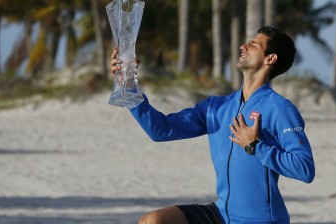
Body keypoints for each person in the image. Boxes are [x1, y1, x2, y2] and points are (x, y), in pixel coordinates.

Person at [110, 26, 315, 224]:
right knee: (153, 221)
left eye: (253, 44)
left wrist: (255, 146)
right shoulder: (215, 107)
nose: (243, 46)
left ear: (270, 58)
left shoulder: (280, 109)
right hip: (221, 215)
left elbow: (304, 169)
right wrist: (127, 84)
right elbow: (160, 130)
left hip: (261, 220)